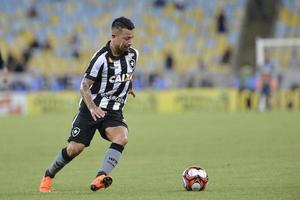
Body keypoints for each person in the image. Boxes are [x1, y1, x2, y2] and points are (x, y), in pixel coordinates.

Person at [39, 16, 138, 192]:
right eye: (126, 38)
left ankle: (101, 176)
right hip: (90, 110)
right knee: (75, 149)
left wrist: (128, 86)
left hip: (113, 111)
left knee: (122, 137)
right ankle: (48, 175)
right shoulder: (100, 59)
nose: (130, 42)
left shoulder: (133, 55)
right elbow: (84, 87)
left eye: (132, 38)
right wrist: (92, 107)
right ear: (114, 36)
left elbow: (128, 72)